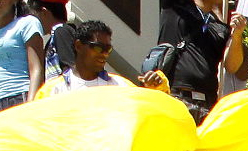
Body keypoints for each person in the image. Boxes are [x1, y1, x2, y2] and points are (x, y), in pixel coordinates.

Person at [35, 20, 167, 98]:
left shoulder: (120, 86)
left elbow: (148, 106)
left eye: (108, 49)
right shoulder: (53, 90)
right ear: (79, 46)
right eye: (98, 48)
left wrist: (156, 86)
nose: (104, 54)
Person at [26, 0, 75, 80]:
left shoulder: (61, 32)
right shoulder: (55, 36)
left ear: (44, 12)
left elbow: (69, 68)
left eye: (34, 15)